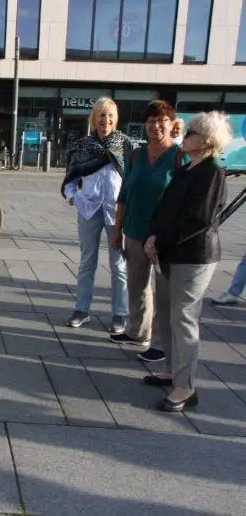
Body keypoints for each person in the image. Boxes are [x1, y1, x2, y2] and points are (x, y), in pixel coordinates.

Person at [142, 112, 230, 412]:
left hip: (193, 258)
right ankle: (173, 371)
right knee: (169, 316)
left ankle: (186, 388)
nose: (183, 133)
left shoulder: (212, 173)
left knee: (184, 319)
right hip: (170, 253)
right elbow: (165, 207)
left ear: (205, 141)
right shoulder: (187, 168)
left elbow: (198, 221)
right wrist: (153, 235)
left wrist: (160, 241)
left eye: (189, 131)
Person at [111, 100, 188, 363]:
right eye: (151, 120)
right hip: (134, 230)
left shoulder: (179, 157)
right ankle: (136, 331)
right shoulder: (136, 155)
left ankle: (160, 343)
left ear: (172, 124)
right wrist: (117, 231)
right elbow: (124, 194)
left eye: (161, 120)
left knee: (164, 290)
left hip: (164, 238)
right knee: (136, 285)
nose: (156, 125)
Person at [61, 98, 132, 334]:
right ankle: (81, 310)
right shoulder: (82, 146)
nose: (106, 120)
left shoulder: (125, 144)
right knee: (86, 262)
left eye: (110, 115)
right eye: (101, 115)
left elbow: (132, 179)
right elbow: (70, 180)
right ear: (94, 118)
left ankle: (120, 313)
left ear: (116, 119)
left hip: (117, 212)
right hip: (89, 209)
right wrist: (74, 198)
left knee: (119, 265)